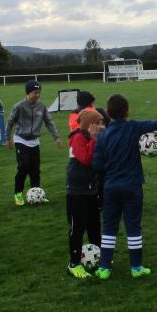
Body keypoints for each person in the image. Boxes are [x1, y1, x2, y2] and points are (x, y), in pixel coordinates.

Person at [91, 94, 157, 280]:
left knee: (109, 227)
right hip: (132, 186)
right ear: (127, 111)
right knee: (133, 226)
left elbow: (96, 166)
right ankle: (136, 268)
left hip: (110, 187)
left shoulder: (103, 136)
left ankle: (104, 268)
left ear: (108, 114)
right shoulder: (134, 127)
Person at [5, 80, 62, 206]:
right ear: (28, 92)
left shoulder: (41, 106)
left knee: (35, 170)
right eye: (35, 92)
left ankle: (37, 193)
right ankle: (18, 194)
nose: (37, 95)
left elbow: (49, 122)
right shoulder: (19, 106)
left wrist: (56, 137)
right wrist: (8, 138)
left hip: (34, 142)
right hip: (21, 140)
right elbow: (10, 122)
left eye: (39, 92)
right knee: (23, 167)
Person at [65, 110, 105, 279]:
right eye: (99, 123)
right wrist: (95, 139)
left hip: (91, 191)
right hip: (76, 192)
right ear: (90, 125)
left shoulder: (93, 138)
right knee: (77, 228)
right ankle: (73, 264)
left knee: (95, 227)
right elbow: (87, 159)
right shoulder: (77, 138)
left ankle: (100, 259)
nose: (103, 126)